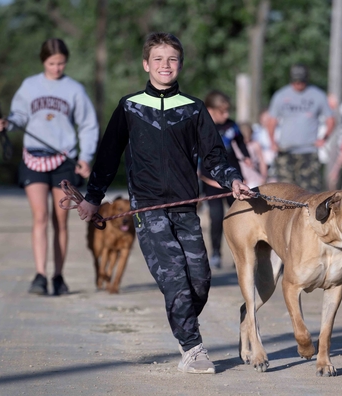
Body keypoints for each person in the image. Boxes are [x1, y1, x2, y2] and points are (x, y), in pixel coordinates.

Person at [76, 32, 251, 374]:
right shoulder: (129, 107)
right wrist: (92, 199)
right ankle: (192, 349)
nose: (165, 65)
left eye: (171, 59)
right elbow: (108, 156)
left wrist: (232, 179)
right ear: (146, 64)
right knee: (174, 279)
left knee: (199, 280)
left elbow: (215, 155)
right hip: (148, 208)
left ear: (180, 64)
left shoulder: (193, 108)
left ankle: (182, 319)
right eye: (158, 59)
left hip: (186, 206)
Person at [0, 38, 99, 296]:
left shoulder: (74, 89)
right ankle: (40, 275)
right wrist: (7, 123)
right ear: (43, 61)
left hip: (64, 161)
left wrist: (86, 156)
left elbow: (88, 125)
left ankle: (59, 276)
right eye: (52, 63)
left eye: (61, 63)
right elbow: (19, 116)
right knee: (40, 217)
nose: (57, 68)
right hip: (34, 159)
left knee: (59, 219)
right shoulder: (30, 86)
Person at [199, 90, 251, 270]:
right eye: (222, 111)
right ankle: (215, 253)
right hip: (211, 181)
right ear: (210, 110)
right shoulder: (202, 127)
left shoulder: (231, 126)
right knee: (216, 217)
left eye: (227, 111)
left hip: (233, 179)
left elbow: (240, 142)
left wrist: (246, 156)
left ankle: (243, 255)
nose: (226, 115)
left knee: (239, 216)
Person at [266, 64, 335, 192]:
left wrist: (324, 138)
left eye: (301, 81)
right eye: (295, 82)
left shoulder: (317, 95)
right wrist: (272, 142)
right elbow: (271, 121)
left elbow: (330, 119)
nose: (298, 85)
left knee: (311, 192)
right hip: (286, 151)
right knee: (285, 192)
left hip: (308, 152)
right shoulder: (281, 95)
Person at [237, 122, 268, 188]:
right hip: (242, 181)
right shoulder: (235, 146)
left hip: (255, 179)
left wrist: (264, 176)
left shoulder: (255, 144)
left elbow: (262, 161)